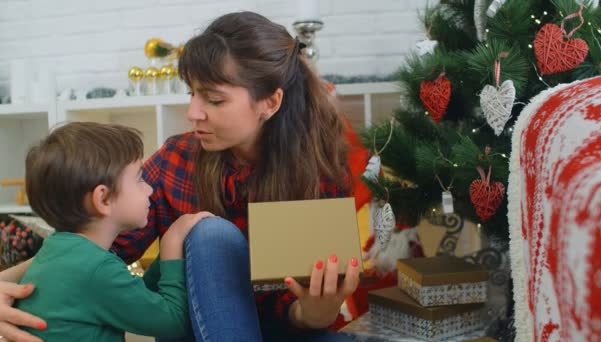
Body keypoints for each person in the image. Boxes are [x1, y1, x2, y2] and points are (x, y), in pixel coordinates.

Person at [0, 11, 361, 342]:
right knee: (212, 233)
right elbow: (88, 243)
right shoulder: (178, 159)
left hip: (284, 332)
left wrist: (315, 313)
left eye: (214, 100)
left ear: (270, 102)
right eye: (192, 94)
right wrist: (7, 281)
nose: (193, 112)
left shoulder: (321, 171)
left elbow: (304, 313)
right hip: (196, 333)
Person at [14, 122, 214, 341]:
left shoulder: (61, 252)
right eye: (139, 179)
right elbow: (173, 323)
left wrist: (165, 254)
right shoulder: (95, 268)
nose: (149, 189)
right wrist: (173, 244)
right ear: (103, 199)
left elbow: (134, 299)